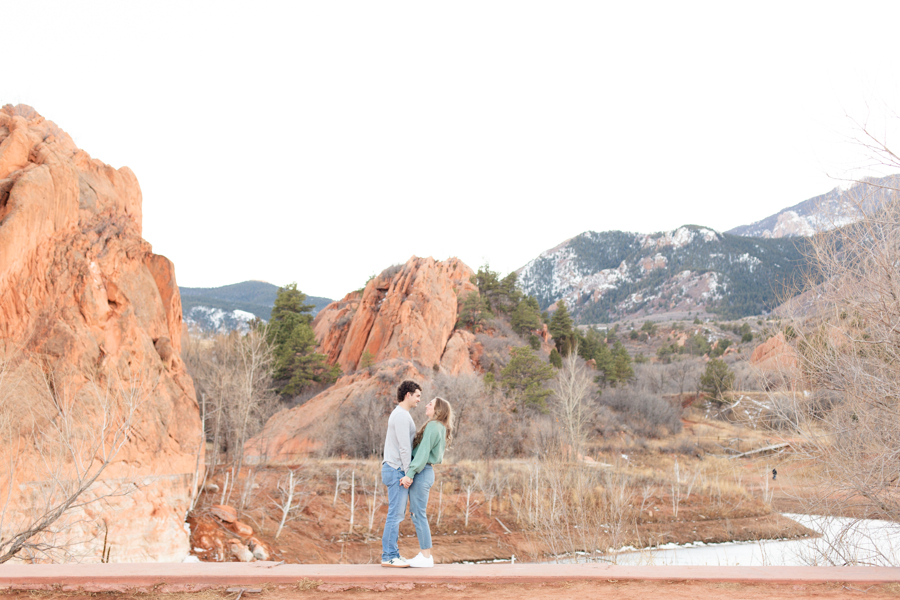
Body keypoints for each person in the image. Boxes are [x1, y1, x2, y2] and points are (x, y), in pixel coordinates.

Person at [401, 396, 453, 568]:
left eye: (430, 404)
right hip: (426, 472)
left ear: (438, 409)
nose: (426, 405)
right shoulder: (440, 426)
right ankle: (424, 555)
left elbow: (422, 453)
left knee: (418, 514)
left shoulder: (433, 426)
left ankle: (426, 557)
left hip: (422, 472)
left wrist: (410, 473)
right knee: (418, 514)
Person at [380, 380, 421, 568]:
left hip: (394, 468)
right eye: (417, 395)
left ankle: (393, 553)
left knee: (396, 514)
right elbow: (405, 448)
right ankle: (388, 556)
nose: (419, 400)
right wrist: (408, 474)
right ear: (408, 395)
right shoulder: (402, 416)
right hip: (397, 469)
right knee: (395, 515)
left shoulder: (400, 414)